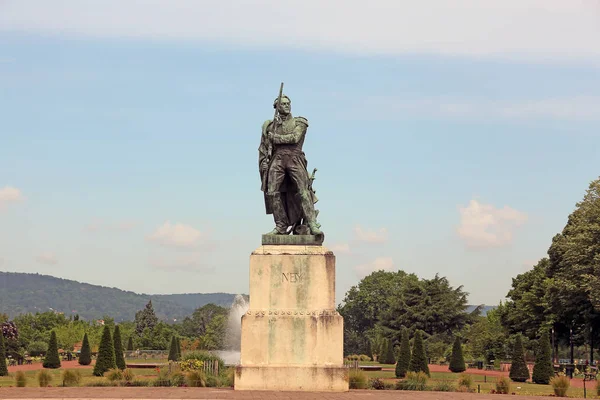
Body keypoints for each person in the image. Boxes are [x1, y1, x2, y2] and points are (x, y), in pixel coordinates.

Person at [258, 94, 322, 236]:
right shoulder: (270, 126)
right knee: (272, 192)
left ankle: (312, 224)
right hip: (278, 159)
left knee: (303, 192)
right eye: (283, 104)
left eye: (288, 103)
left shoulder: (300, 122)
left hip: (295, 158)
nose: (287, 106)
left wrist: (275, 137)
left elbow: (294, 138)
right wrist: (264, 161)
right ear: (277, 107)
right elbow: (264, 146)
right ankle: (281, 225)